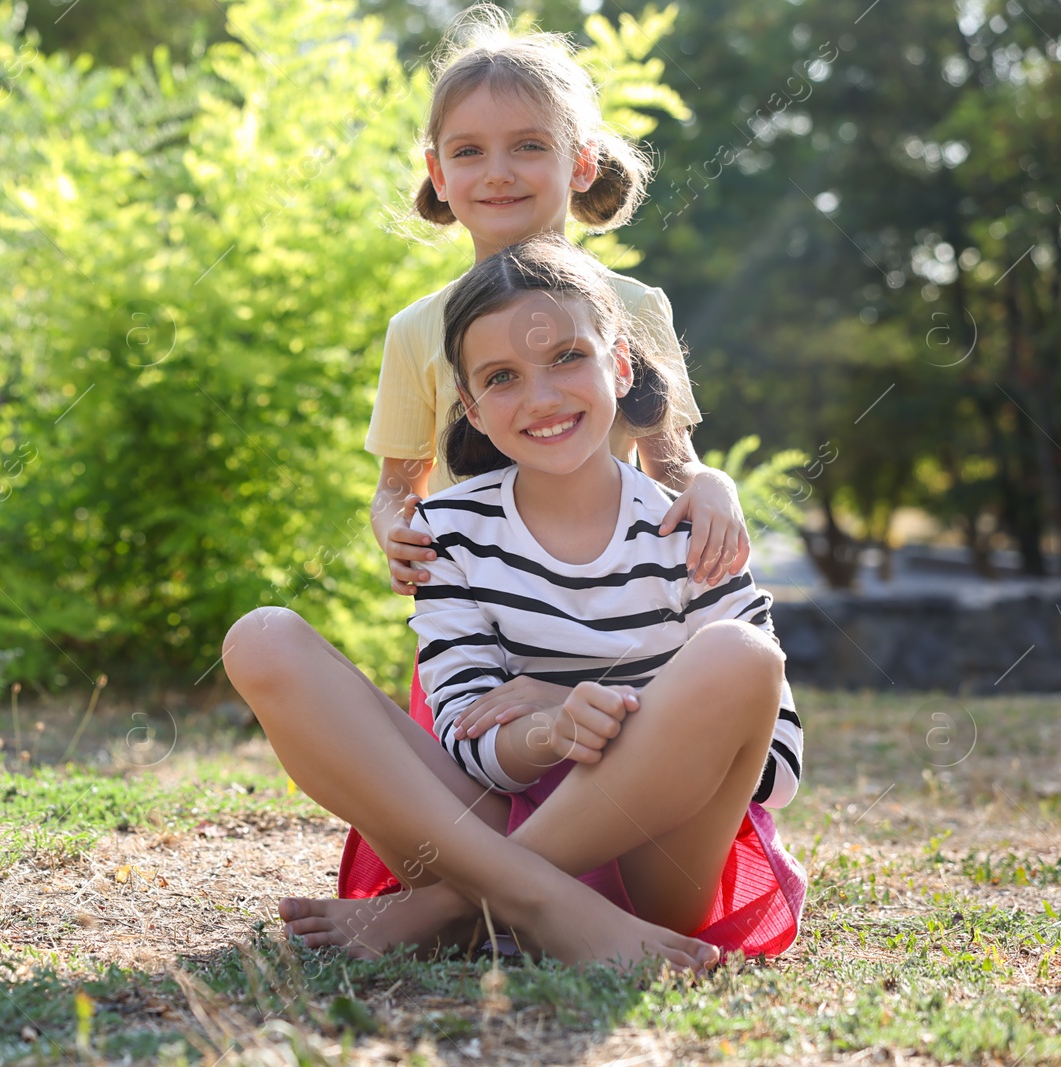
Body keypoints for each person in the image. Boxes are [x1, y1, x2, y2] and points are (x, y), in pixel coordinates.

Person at [225, 234, 805, 970]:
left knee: (742, 655)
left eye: (567, 357)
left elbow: (775, 768)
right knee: (262, 637)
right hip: (485, 829)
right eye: (502, 377)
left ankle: (456, 908)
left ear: (619, 364)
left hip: (657, 867)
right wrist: (549, 732)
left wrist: (586, 707)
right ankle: (546, 908)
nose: (541, 396)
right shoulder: (450, 532)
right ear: (468, 405)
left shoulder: (691, 533)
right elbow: (465, 735)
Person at [344, 4, 754, 900]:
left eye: (529, 145)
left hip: (612, 641)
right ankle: (495, 885)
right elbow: (396, 486)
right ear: (437, 174)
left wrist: (713, 483)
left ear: (580, 162)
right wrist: (394, 531)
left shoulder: (635, 307)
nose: (498, 172)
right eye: (470, 151)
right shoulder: (416, 332)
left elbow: (672, 464)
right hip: (481, 649)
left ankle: (503, 894)